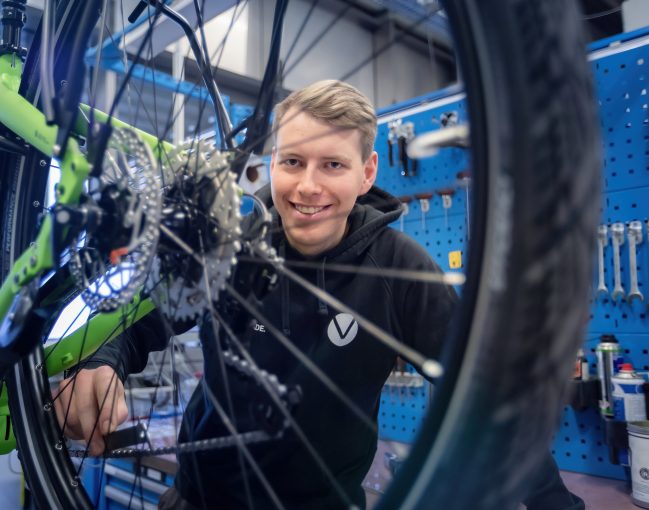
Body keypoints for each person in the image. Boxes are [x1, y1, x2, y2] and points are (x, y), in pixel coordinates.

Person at [55, 80, 583, 510]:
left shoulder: (399, 268)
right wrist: (101, 361)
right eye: (292, 163)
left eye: (332, 165)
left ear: (366, 173)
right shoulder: (228, 245)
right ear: (273, 165)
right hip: (197, 500)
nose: (308, 187)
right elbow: (137, 323)